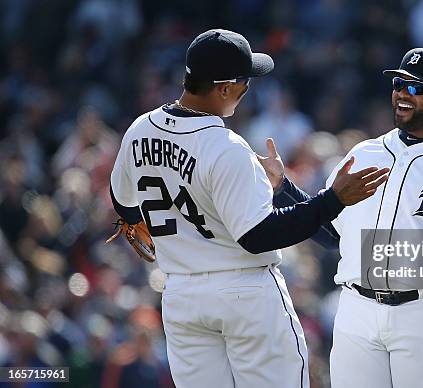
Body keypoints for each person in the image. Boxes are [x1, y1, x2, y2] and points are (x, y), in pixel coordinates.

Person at [109, 29, 389, 388]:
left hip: (180, 297)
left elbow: (123, 201)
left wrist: (137, 224)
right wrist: (332, 200)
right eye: (244, 81)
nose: (248, 89)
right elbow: (258, 236)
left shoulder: (139, 130)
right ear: (224, 88)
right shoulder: (227, 147)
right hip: (245, 295)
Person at [259, 47, 423, 387]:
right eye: (399, 83)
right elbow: (334, 235)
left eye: (416, 88)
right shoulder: (365, 152)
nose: (401, 93)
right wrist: (284, 186)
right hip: (357, 308)